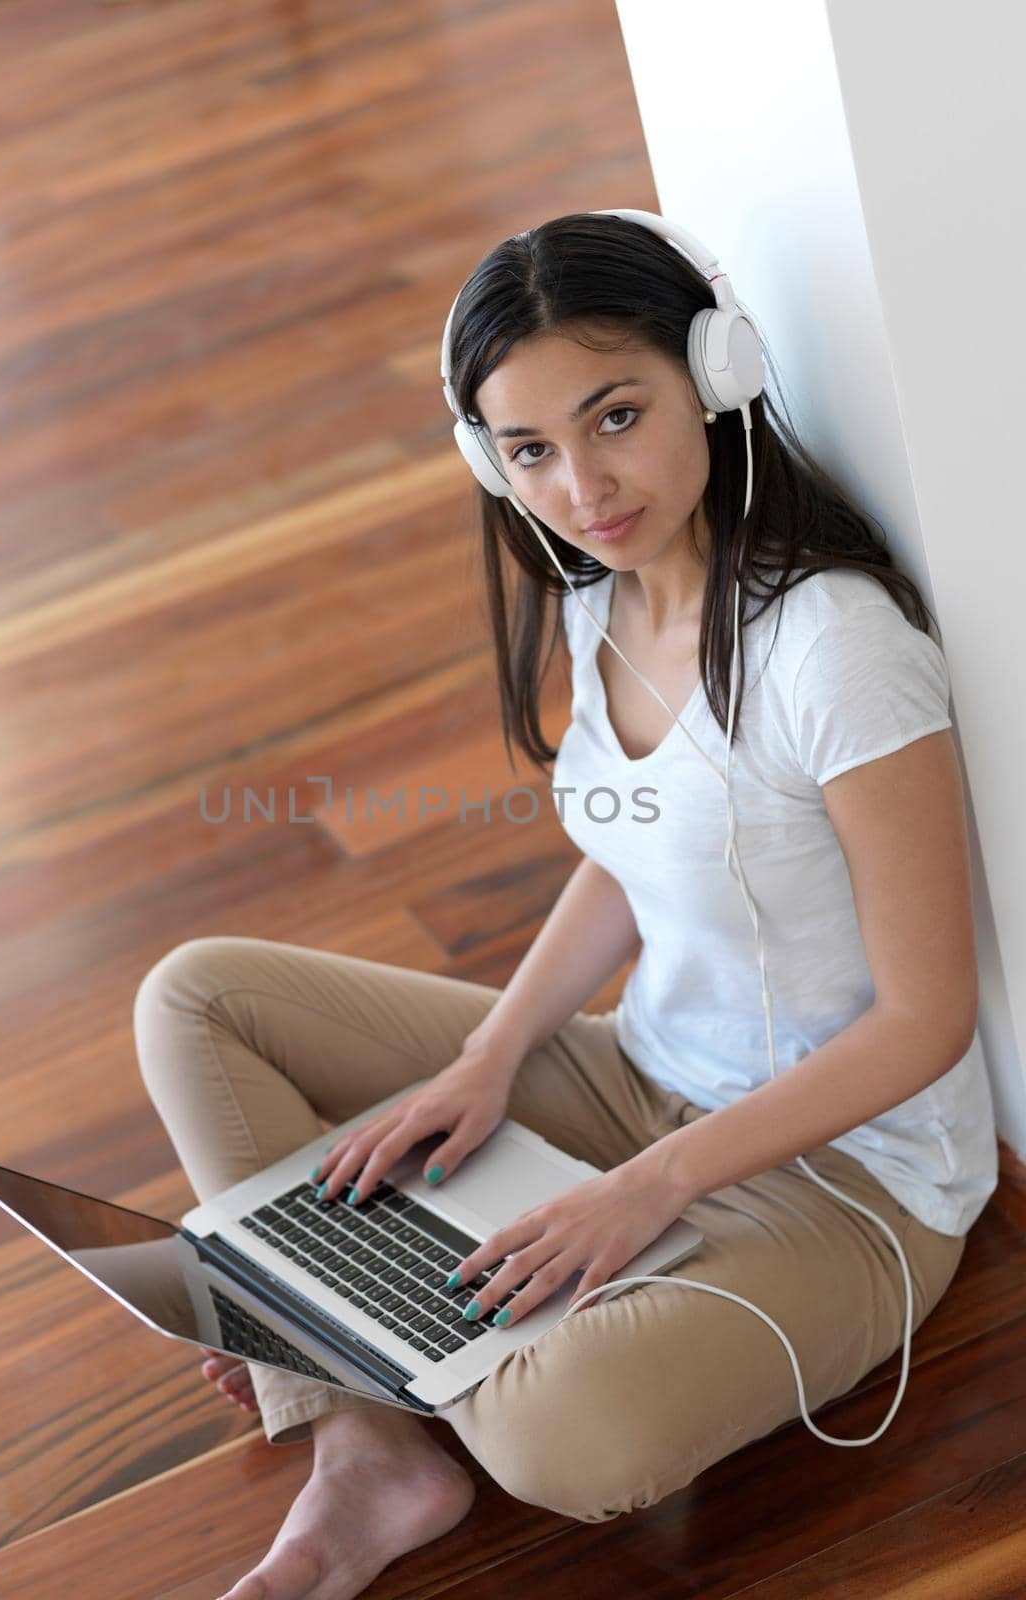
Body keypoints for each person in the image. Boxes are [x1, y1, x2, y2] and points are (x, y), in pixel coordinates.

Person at [132, 211, 998, 1600]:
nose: (583, 486)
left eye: (616, 417)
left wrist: (641, 1192)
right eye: (529, 449)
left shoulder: (837, 652)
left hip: (852, 1186)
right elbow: (633, 856)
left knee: (561, 1435)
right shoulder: (604, 595)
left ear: (716, 376)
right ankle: (368, 1440)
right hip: (645, 1078)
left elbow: (926, 1019)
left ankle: (336, 1320)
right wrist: (491, 1062)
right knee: (197, 999)